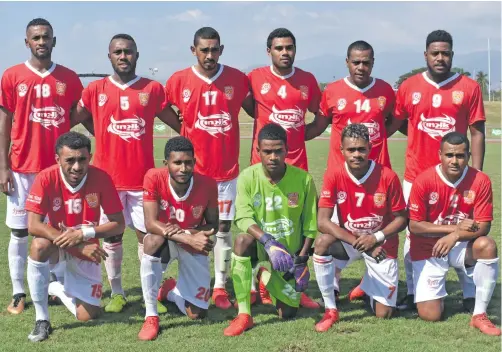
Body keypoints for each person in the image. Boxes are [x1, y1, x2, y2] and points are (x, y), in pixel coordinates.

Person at [71, 33, 180, 313]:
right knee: (112, 237)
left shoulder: (153, 89)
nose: (123, 56)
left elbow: (179, 123)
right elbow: (71, 119)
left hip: (143, 180)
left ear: (136, 55)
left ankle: (150, 294)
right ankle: (117, 293)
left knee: (148, 237)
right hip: (107, 181)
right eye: (117, 52)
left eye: (128, 52)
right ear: (109, 56)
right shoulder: (94, 90)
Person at [394, 30, 485, 311]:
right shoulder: (409, 86)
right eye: (435, 53)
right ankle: (413, 289)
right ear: (426, 55)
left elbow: (477, 133)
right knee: (413, 234)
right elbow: (399, 122)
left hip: (459, 178)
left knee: (466, 227)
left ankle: (470, 292)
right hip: (416, 177)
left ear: (452, 56)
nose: (440, 58)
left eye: (445, 53)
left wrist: (476, 176)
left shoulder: (469, 87)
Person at [164, 27, 253, 309]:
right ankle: (176, 282)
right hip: (191, 174)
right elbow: (166, 110)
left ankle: (219, 286)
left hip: (226, 170)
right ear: (194, 50)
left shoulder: (237, 79)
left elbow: (255, 109)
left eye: (215, 49)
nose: (210, 55)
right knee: (186, 226)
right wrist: (181, 128)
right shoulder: (178, 80)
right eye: (204, 49)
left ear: (221, 50)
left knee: (223, 227)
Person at [0, 18, 84, 315]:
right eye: (35, 37)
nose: (41, 41)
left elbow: (75, 117)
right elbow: (4, 121)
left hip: (57, 171)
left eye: (45, 37)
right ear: (27, 42)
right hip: (21, 166)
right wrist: (2, 166)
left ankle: (56, 283)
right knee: (20, 232)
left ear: (54, 40)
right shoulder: (11, 76)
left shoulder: (70, 78)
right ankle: (19, 291)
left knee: (57, 229)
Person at [24, 131, 125, 342]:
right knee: (38, 245)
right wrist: (77, 246)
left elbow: (118, 224)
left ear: (90, 156)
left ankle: (54, 286)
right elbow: (33, 225)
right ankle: (42, 319)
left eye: (82, 159)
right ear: (57, 159)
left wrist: (84, 234)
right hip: (56, 244)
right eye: (70, 160)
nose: (77, 167)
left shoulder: (101, 178)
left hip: (87, 243)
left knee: (88, 316)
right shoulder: (46, 177)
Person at [247, 27, 321, 308]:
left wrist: (301, 136)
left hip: (295, 168)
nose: (285, 53)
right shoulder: (254, 78)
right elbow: (246, 106)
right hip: (262, 170)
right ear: (269, 51)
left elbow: (321, 116)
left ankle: (294, 285)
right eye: (279, 48)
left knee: (295, 228)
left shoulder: (307, 81)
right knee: (260, 227)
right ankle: (260, 282)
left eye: (289, 47)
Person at [223, 123, 318, 336]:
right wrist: (267, 241)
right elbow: (242, 216)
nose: (272, 157)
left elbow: (311, 224)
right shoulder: (248, 177)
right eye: (267, 151)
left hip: (289, 255)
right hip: (261, 245)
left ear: (287, 150)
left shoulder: (304, 179)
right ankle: (244, 315)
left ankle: (264, 278)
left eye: (278, 151)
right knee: (241, 241)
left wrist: (302, 261)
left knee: (288, 313)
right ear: (258, 151)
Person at [313, 124, 407, 332]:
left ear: (370, 147)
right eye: (351, 150)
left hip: (382, 246)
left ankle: (367, 288)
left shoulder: (388, 176)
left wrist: (376, 237)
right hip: (351, 242)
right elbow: (322, 221)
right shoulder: (334, 175)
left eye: (361, 149)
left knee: (384, 314)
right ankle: (330, 309)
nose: (356, 154)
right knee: (322, 243)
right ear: (342, 150)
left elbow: (402, 218)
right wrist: (364, 244)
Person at [408, 132, 499, 336]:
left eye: (460, 156)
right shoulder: (423, 180)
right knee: (430, 315)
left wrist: (456, 236)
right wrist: (455, 229)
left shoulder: (480, 180)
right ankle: (438, 292)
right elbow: (414, 226)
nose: (455, 161)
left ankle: (479, 314)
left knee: (487, 245)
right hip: (429, 246)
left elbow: (483, 226)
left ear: (468, 156)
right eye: (449, 155)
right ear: (440, 154)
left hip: (462, 245)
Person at [137, 136, 219, 341]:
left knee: (197, 314)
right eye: (177, 163)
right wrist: (188, 238)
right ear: (166, 164)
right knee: (151, 240)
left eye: (188, 162)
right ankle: (151, 315)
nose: (183, 168)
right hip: (167, 240)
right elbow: (150, 223)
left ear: (194, 161)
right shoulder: (153, 177)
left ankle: (170, 291)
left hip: (190, 240)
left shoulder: (208, 184)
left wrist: (193, 235)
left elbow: (213, 224)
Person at [306, 40, 401, 169]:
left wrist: (378, 135)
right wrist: (290, 136)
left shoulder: (385, 90)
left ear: (373, 62)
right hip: (340, 171)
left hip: (378, 170)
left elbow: (395, 121)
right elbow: (318, 126)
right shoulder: (332, 91)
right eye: (356, 62)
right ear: (347, 62)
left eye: (366, 63)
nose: (361, 67)